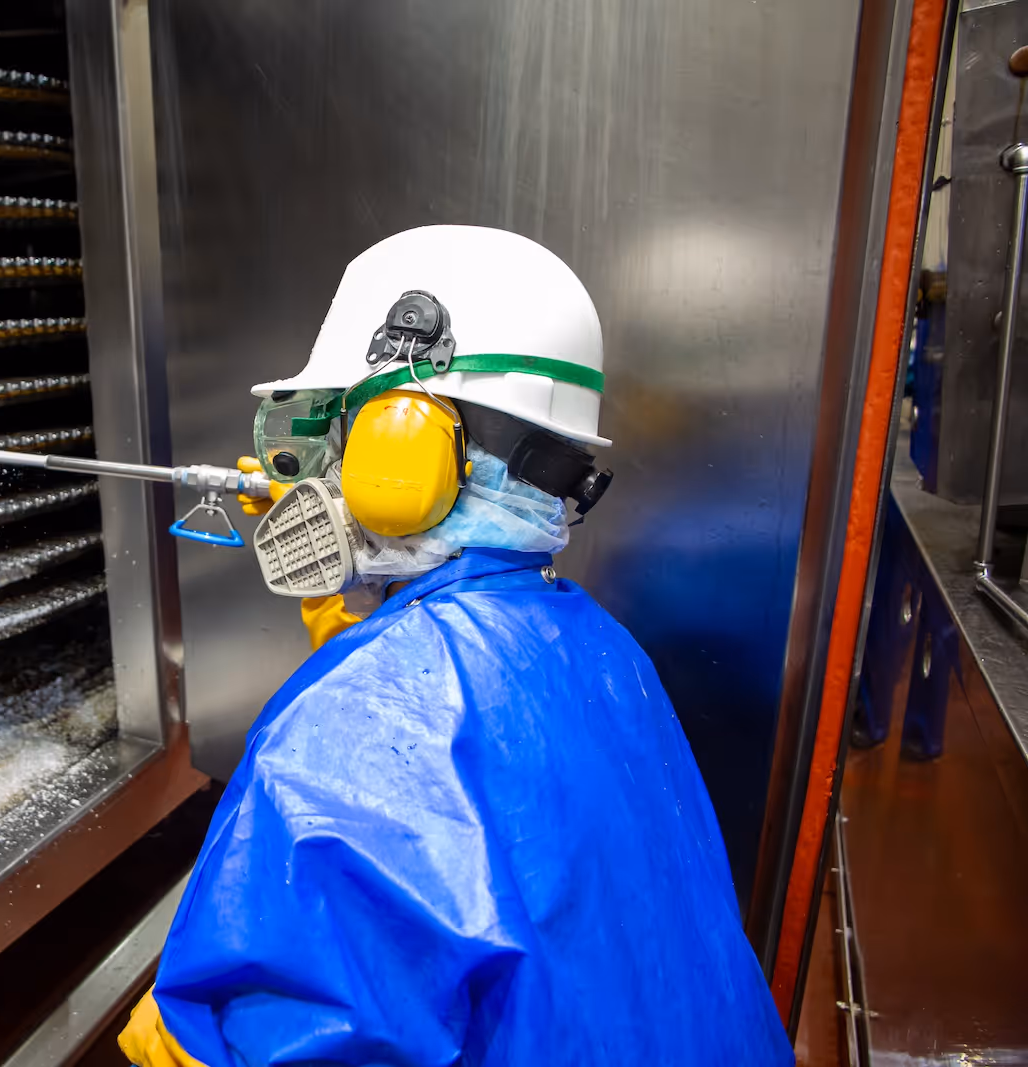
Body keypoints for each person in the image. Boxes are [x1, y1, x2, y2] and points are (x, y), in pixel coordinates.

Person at [119, 225, 792, 1066]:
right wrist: (362, 633)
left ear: (403, 450)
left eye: (338, 430)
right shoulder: (605, 649)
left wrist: (178, 1034)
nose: (311, 470)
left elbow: (261, 1036)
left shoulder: (346, 739)